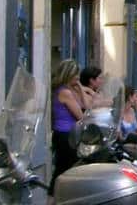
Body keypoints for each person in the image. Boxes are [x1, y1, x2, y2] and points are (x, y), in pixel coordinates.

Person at [50, 60, 85, 190]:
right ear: (69, 74)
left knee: (61, 169)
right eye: (76, 75)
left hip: (61, 134)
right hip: (66, 135)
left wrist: (80, 88)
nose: (78, 78)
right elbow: (80, 115)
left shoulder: (60, 90)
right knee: (65, 170)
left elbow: (83, 104)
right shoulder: (65, 93)